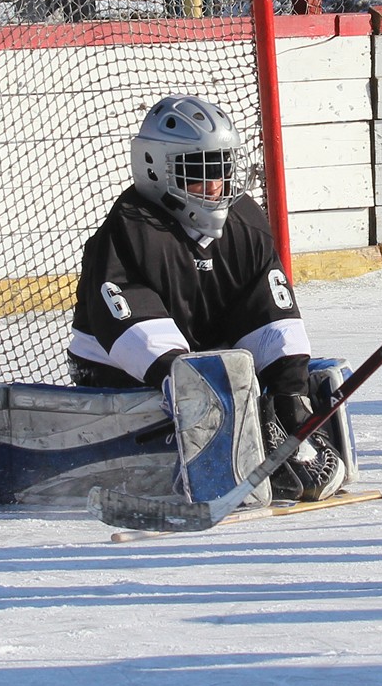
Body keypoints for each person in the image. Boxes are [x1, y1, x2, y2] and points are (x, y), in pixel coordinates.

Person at [68, 94, 343, 502]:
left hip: (209, 367)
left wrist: (289, 392)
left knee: (315, 380)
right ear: (155, 169)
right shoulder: (129, 230)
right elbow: (136, 330)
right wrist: (204, 393)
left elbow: (267, 311)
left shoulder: (245, 221)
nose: (215, 185)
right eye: (198, 170)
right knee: (210, 391)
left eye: (222, 168)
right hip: (122, 377)